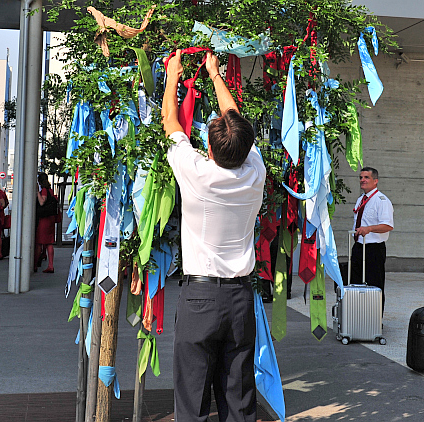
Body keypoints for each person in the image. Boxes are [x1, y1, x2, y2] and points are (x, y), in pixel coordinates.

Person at [163, 50, 266, 422]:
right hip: (241, 298)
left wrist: (173, 76)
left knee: (191, 401)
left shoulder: (198, 175)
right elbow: (236, 124)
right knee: (238, 401)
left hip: (200, 298)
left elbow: (172, 125)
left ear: (208, 148)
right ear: (247, 147)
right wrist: (217, 75)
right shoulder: (256, 172)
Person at [350, 167, 394, 312]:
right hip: (358, 246)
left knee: (375, 285)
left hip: (373, 249)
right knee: (355, 284)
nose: (362, 180)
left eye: (366, 177)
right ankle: (358, 318)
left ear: (375, 181)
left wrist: (368, 229)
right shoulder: (361, 200)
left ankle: (375, 320)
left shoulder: (381, 200)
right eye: (361, 177)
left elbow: (387, 225)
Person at [34, 173, 56, 273]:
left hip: (44, 219)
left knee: (39, 242)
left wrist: (37, 193)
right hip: (51, 218)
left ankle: (34, 264)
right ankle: (50, 265)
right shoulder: (50, 190)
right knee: (49, 243)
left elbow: (42, 201)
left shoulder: (44, 190)